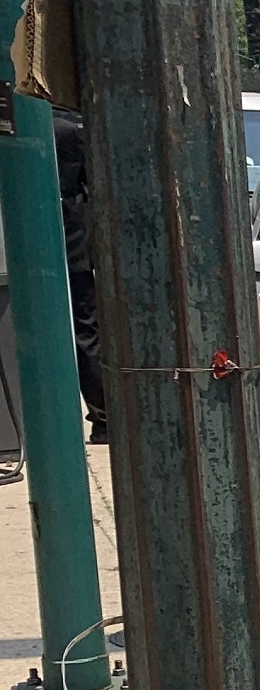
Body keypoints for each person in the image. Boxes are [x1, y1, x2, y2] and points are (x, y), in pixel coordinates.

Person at [53, 110, 106, 442]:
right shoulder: (70, 130)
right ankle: (103, 416)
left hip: (32, 247)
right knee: (87, 332)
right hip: (74, 246)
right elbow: (92, 183)